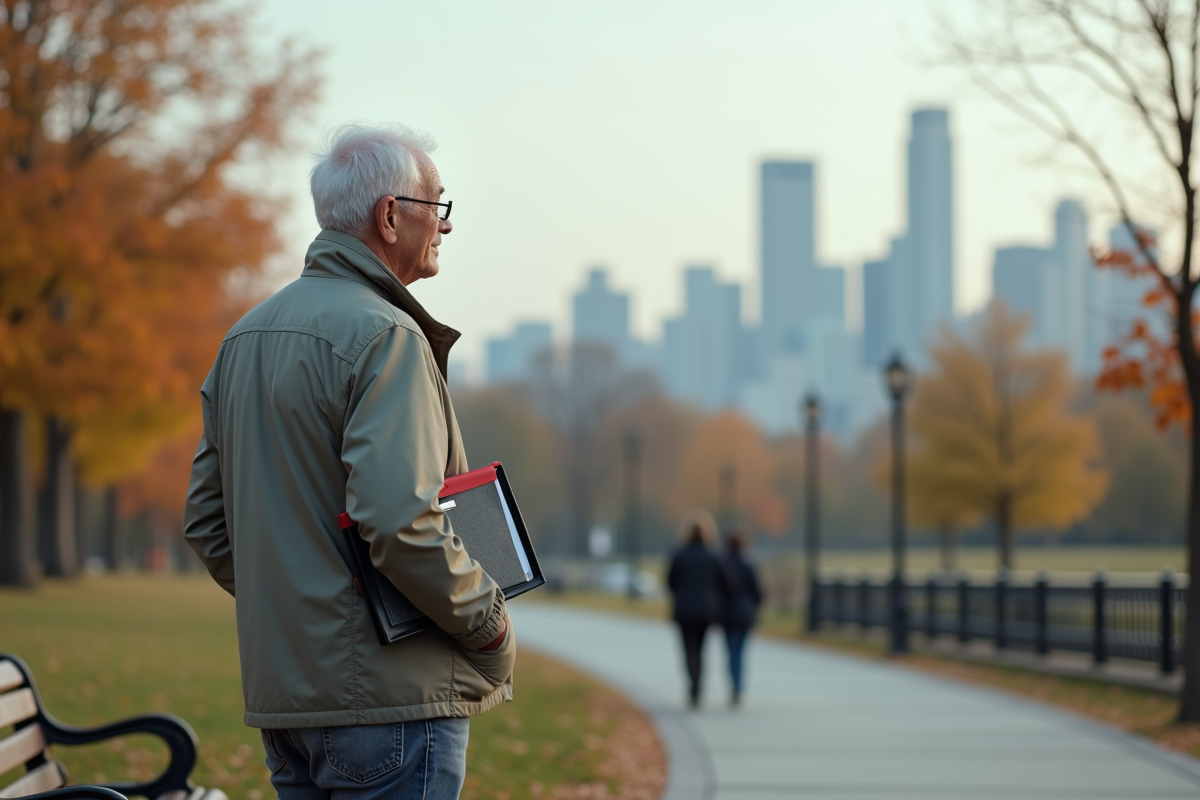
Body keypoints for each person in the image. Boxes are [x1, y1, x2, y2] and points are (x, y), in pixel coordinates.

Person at [184, 123, 514, 800]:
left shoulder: (243, 339)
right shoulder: (386, 336)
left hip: (292, 702)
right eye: (438, 206)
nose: (445, 227)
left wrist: (300, 616)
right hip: (393, 706)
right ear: (390, 216)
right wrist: (490, 624)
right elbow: (400, 522)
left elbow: (208, 524)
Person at [666, 509, 725, 708]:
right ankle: (699, 686)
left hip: (684, 609)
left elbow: (670, 581)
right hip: (706, 609)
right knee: (701, 649)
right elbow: (723, 582)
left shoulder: (679, 554)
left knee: (688, 650)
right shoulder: (713, 555)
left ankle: (693, 685)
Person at [720, 529, 762, 707]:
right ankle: (739, 687)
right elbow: (758, 592)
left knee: (731, 652)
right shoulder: (748, 565)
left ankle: (734, 685)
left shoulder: (723, 564)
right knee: (741, 652)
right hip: (745, 614)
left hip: (727, 614)